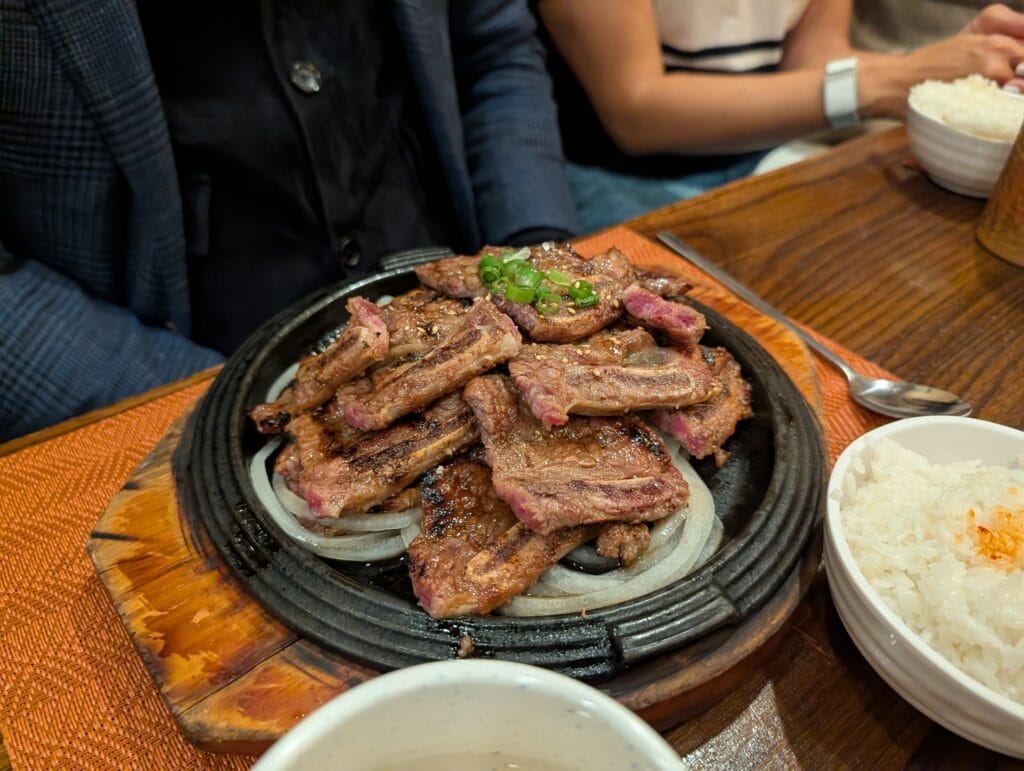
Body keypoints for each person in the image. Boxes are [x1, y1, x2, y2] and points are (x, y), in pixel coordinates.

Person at [0, 0, 578, 441]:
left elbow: (492, 49)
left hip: (468, 284)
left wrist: (537, 259)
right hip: (175, 359)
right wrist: (189, 400)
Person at [535, 0, 1024, 232]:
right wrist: (893, 78)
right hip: (620, 175)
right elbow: (637, 114)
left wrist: (938, 69)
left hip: (771, 154)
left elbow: (813, 66)